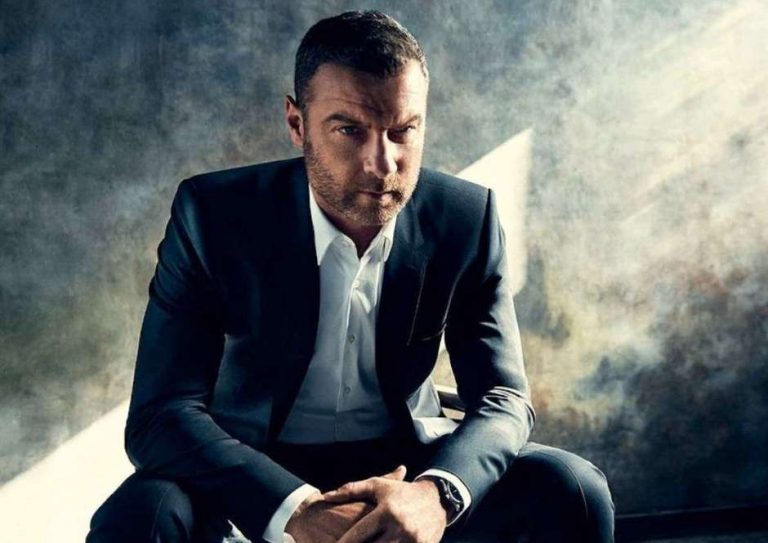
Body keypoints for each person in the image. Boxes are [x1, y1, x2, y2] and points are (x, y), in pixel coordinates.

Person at [87, 10, 614, 543]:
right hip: (255, 464)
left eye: (403, 131)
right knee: (140, 515)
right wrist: (295, 508)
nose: (381, 164)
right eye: (349, 131)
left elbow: (503, 397)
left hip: (408, 463)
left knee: (572, 487)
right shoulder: (214, 215)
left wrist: (436, 495)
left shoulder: (465, 218)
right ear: (297, 124)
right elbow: (161, 414)